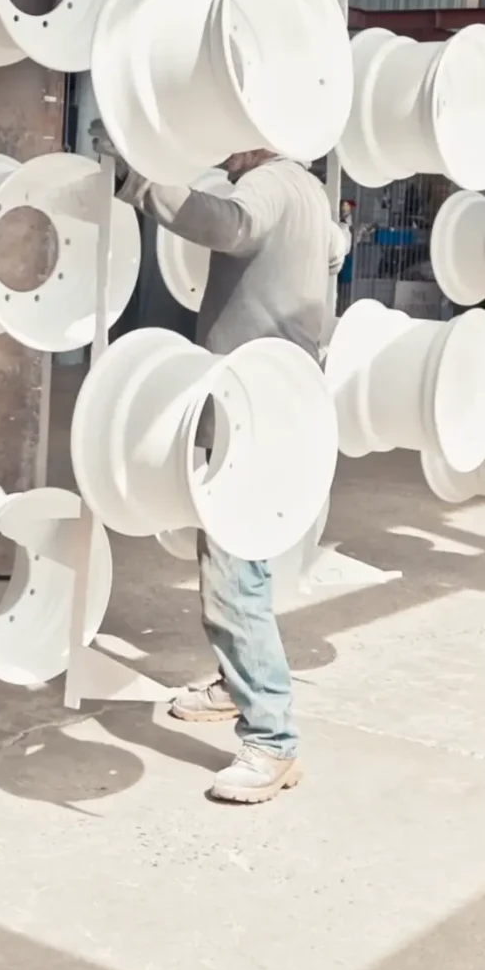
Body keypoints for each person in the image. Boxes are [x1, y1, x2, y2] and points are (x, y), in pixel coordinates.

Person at [111, 142, 346, 804]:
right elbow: (335, 251)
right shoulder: (307, 190)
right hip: (272, 403)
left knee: (232, 577)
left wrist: (137, 181)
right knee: (242, 561)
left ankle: (272, 740)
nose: (219, 149)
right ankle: (233, 684)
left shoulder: (269, 183)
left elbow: (232, 225)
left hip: (253, 410)